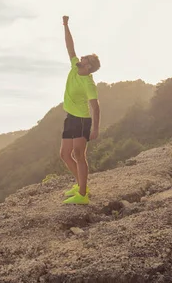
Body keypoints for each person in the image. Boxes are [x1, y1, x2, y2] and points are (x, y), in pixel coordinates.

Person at [60, 15, 101, 205]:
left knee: (78, 155)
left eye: (84, 58)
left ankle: (83, 195)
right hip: (71, 117)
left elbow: (95, 106)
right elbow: (70, 46)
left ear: (89, 66)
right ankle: (80, 185)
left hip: (83, 120)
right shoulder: (74, 66)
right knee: (64, 155)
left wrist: (95, 129)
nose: (80, 57)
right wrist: (66, 25)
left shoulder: (88, 83)